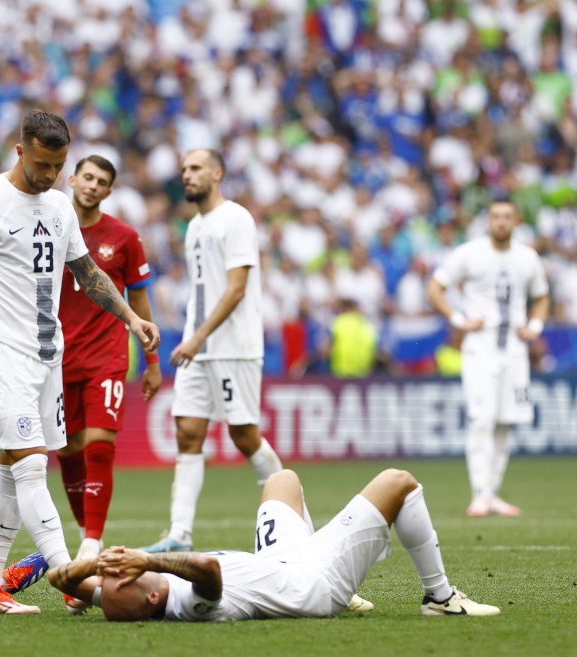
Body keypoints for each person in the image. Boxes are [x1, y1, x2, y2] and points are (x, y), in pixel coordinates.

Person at [0, 109, 160, 615]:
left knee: (12, 472)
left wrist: (130, 318)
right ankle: (73, 576)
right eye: (40, 164)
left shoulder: (58, 207)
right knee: (32, 462)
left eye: (56, 166)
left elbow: (89, 274)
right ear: (19, 151)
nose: (48, 175)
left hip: (46, 355)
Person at [47, 468, 501, 621]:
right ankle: (440, 597)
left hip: (281, 560)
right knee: (398, 483)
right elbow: (208, 570)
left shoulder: (129, 592)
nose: (115, 571)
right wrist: (148, 557)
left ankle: (342, 548)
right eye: (119, 576)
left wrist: (89, 569)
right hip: (316, 583)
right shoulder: (187, 601)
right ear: (149, 595)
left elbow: (56, 578)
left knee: (281, 479)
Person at [141, 149, 283, 554]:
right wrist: (195, 337)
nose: (187, 175)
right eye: (184, 169)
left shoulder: (235, 218)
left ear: (217, 173)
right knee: (187, 431)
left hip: (232, 347)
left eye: (196, 168)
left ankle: (294, 519)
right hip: (197, 345)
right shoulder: (195, 226)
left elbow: (237, 288)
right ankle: (179, 535)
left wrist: (198, 336)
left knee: (243, 434)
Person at [56, 155, 162, 561]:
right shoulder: (49, 229)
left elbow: (139, 301)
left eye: (101, 181)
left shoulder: (124, 237)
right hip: (58, 358)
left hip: (107, 355)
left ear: (109, 191)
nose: (92, 185)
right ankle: (86, 532)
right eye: (87, 177)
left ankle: (91, 543)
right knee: (67, 452)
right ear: (73, 179)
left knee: (99, 446)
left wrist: (152, 363)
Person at [426, 200, 550, 517]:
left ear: (516, 220)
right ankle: (479, 492)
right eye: (496, 217)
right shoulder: (469, 254)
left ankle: (492, 492)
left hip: (514, 350)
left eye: (507, 217)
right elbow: (435, 287)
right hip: (480, 347)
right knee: (482, 418)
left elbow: (542, 296)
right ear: (488, 221)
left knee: (505, 421)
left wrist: (535, 326)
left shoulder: (527, 258)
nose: (501, 222)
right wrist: (458, 320)